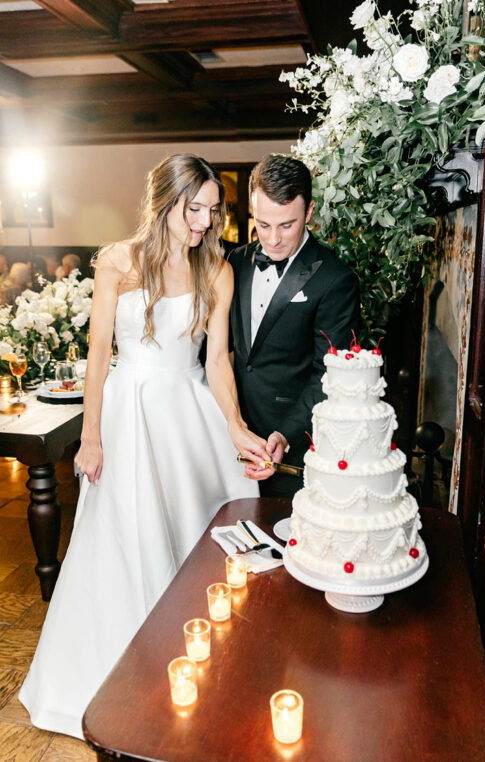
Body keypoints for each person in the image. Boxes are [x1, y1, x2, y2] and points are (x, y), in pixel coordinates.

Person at [19, 153, 266, 738]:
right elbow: (99, 354)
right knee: (127, 536)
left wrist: (234, 426)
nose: (205, 223)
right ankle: (127, 677)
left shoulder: (218, 270)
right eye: (194, 209)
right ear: (164, 203)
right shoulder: (117, 262)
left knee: (194, 539)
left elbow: (218, 360)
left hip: (188, 414)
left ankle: (196, 664)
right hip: (129, 416)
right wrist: (92, 436)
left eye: (212, 211)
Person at [226, 154, 361, 497]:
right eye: (263, 223)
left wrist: (286, 433)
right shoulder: (236, 261)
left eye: (287, 225)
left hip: (290, 446)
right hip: (229, 432)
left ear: (310, 212)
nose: (272, 239)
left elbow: (330, 373)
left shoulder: (335, 279)